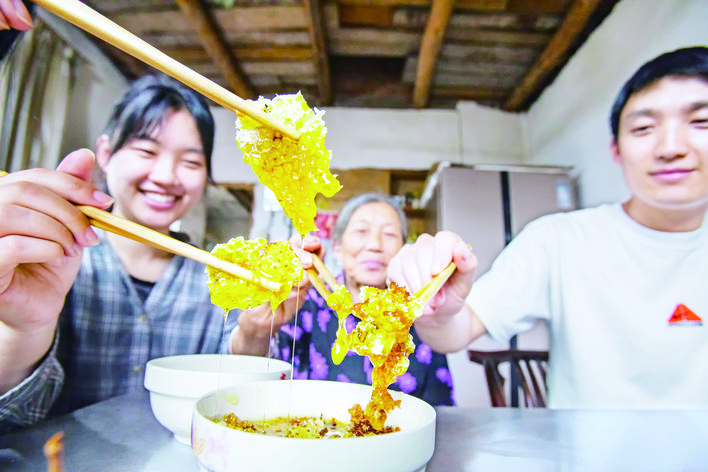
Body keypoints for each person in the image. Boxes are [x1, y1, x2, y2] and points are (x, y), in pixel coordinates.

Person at [386, 46, 708, 409]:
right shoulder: (560, 241)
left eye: (700, 122)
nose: (670, 147)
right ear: (616, 149)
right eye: (644, 128)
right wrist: (437, 308)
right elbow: (459, 328)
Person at [0, 74, 241, 433]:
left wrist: (254, 332)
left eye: (191, 162)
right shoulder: (46, 257)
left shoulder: (218, 278)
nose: (165, 176)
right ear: (107, 153)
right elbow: (11, 417)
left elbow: (231, 402)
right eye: (146, 151)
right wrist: (23, 329)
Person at [235, 193, 455, 406]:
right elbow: (259, 377)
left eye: (389, 234)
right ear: (337, 248)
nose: (374, 245)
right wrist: (254, 330)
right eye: (361, 231)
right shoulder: (304, 301)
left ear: (403, 250)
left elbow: (438, 407)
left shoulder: (419, 309)